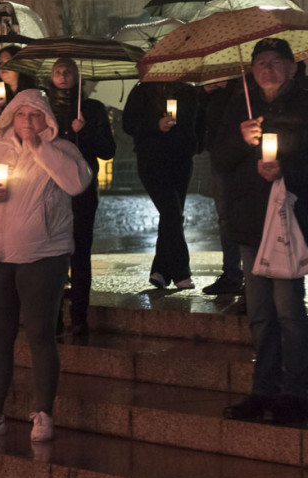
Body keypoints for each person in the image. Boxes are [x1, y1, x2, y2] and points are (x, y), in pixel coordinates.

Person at [0, 89, 92, 442]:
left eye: (35, 115)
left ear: (47, 119)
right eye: (21, 115)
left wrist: (40, 148)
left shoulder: (62, 151)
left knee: (40, 335)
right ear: (9, 118)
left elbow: (77, 183)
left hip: (42, 255)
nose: (28, 121)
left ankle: (44, 413)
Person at [216, 38, 308, 424]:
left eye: (276, 62)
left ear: (291, 67)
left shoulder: (304, 103)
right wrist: (241, 139)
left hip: (291, 219)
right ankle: (262, 389)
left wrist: (285, 169)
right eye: (261, 62)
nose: (267, 68)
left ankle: (295, 391)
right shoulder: (241, 105)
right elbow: (219, 158)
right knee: (260, 313)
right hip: (252, 221)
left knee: (288, 310)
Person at [45, 57, 115, 336]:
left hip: (82, 190)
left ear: (78, 77)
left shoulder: (92, 109)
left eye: (68, 72)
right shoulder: (44, 108)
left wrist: (83, 132)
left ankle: (79, 315)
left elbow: (108, 150)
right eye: (58, 72)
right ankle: (54, 316)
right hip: (49, 190)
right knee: (51, 254)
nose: (62, 76)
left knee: (80, 251)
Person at [123, 81, 201, 290]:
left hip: (181, 160)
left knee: (171, 215)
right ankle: (181, 271)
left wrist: (194, 143)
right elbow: (129, 124)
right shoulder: (142, 91)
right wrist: (156, 125)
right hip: (152, 159)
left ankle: (160, 271)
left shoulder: (189, 91)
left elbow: (198, 122)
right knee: (172, 213)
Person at [202, 80, 245, 295]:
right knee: (226, 217)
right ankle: (232, 273)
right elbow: (209, 122)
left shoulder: (250, 87)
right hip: (222, 157)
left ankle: (255, 274)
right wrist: (206, 95)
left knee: (254, 215)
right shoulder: (218, 93)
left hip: (249, 158)